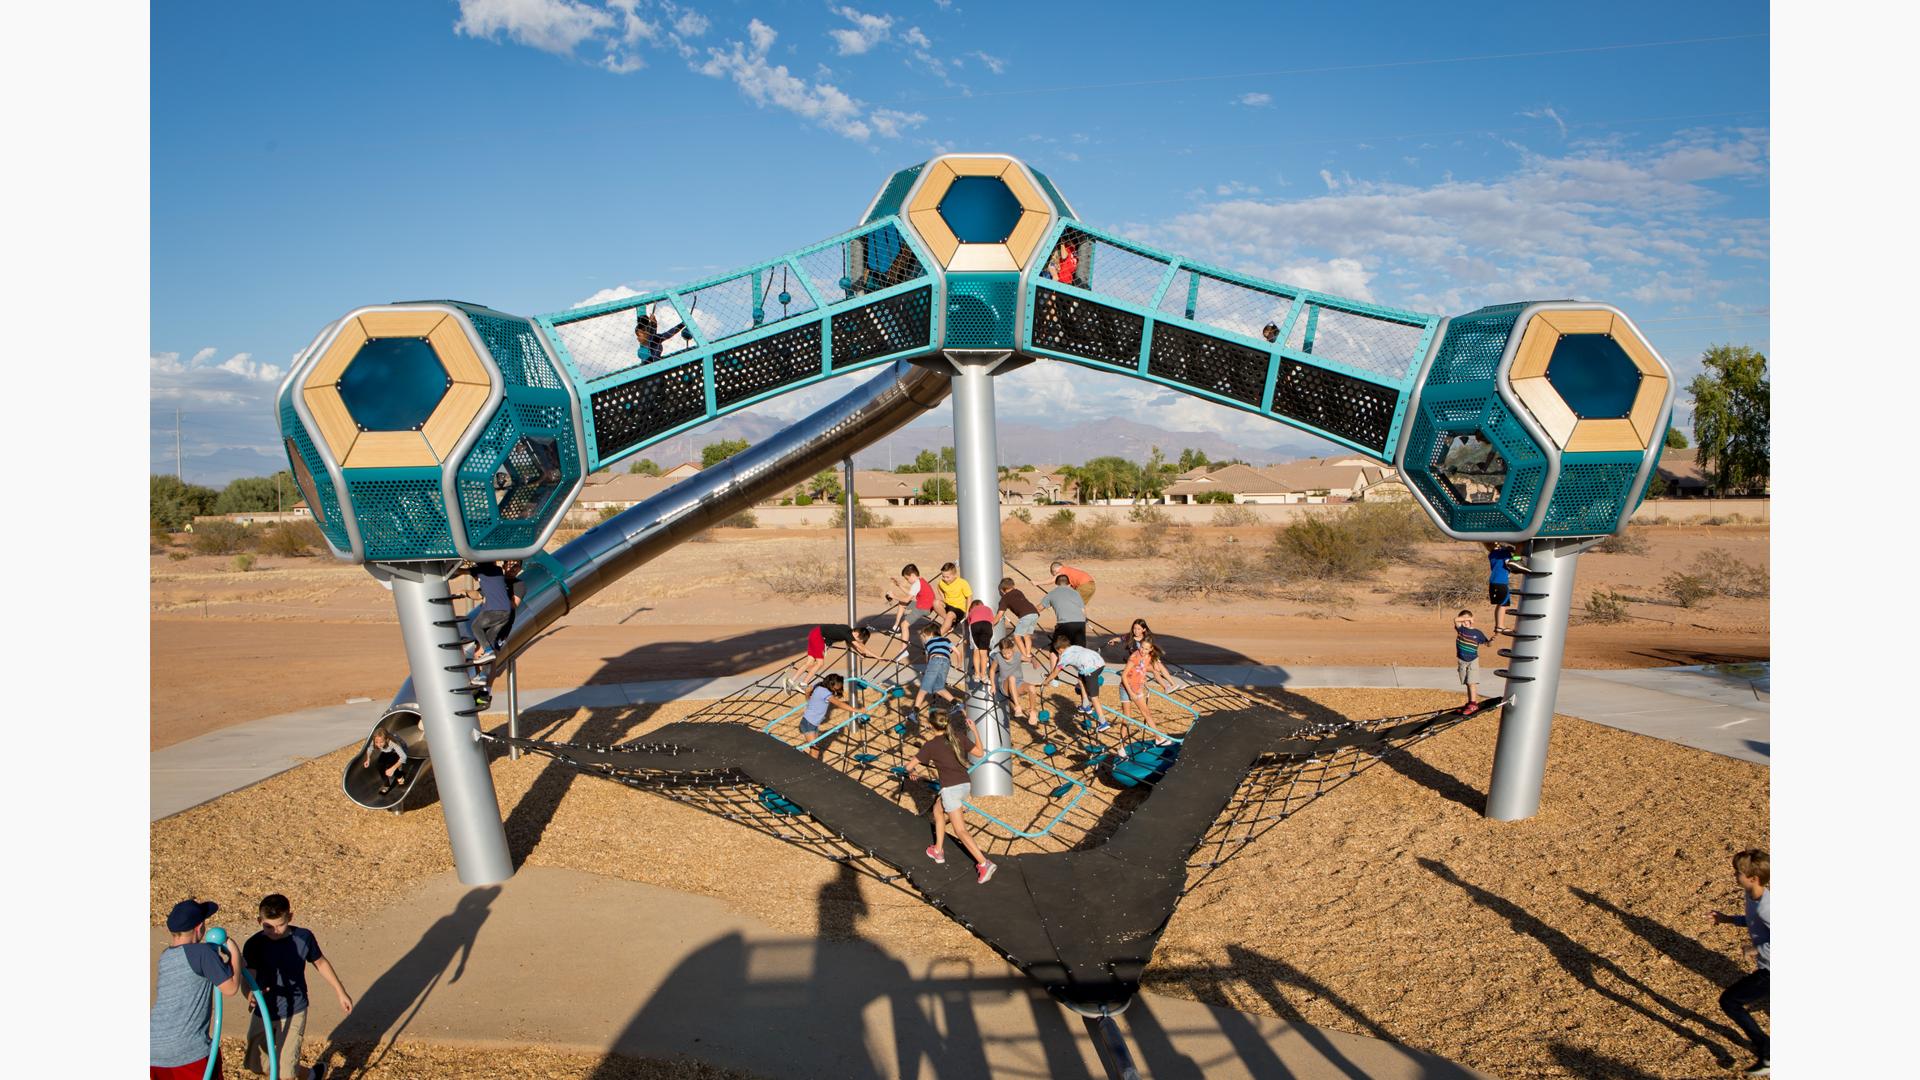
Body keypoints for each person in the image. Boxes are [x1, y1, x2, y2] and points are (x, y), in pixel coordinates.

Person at [243, 893, 353, 1080]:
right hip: (264, 1009)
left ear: (290, 917)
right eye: (268, 927)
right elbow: (248, 978)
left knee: (285, 1074)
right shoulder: (254, 944)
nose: (275, 932)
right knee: (255, 1063)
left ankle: (289, 1070)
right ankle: (311, 1074)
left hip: (294, 1009)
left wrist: (340, 991)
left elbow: (321, 963)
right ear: (259, 920)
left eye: (281, 925)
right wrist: (249, 995)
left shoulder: (303, 937)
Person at [152, 898, 241, 1079]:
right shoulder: (202, 952)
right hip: (188, 1050)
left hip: (153, 1048)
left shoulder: (165, 956)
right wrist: (235, 954)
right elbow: (230, 988)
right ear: (199, 927)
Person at [908, 710, 997, 884]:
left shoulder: (931, 745)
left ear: (932, 725)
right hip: (965, 785)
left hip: (951, 790)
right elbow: (980, 753)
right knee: (937, 810)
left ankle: (984, 863)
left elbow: (909, 765)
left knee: (960, 831)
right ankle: (938, 850)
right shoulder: (957, 736)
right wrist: (975, 731)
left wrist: (913, 772)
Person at [1707, 849, 1771, 1076]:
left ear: (1753, 878)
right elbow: (1751, 921)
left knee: (1729, 1001)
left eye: (1738, 873)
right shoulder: (1752, 896)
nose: (1735, 876)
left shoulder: (1767, 907)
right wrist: (1727, 919)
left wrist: (1756, 949)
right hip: (1767, 968)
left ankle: (1767, 1050)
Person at [789, 624, 889, 692]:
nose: (859, 642)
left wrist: (859, 654)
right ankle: (803, 684)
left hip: (814, 633)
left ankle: (791, 681)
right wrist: (878, 657)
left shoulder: (847, 631)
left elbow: (852, 646)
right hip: (818, 637)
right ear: (857, 634)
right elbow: (861, 647)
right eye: (860, 640)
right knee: (820, 663)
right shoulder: (848, 634)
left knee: (810, 662)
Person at [460, 560, 516, 665]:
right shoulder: (498, 571)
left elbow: (460, 571)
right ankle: (483, 674)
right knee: (490, 641)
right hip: (506, 613)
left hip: (494, 610)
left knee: (476, 626)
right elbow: (479, 593)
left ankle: (488, 651)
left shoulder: (480, 570)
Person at [1045, 641, 1110, 730]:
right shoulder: (1074, 647)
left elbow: (1055, 672)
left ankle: (1103, 722)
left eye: (1058, 652)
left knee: (1094, 698)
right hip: (1099, 662)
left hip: (1091, 670)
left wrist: (1046, 681)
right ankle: (1085, 705)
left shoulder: (1065, 657)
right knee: (1080, 678)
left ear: (1060, 650)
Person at [798, 673, 859, 760]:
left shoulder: (819, 688)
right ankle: (809, 767)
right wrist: (857, 710)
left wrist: (807, 694)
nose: (839, 688)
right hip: (808, 724)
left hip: (812, 723)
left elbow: (810, 702)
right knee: (815, 751)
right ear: (831, 683)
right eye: (838, 686)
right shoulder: (824, 692)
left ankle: (808, 764)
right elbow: (839, 703)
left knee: (814, 749)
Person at [908, 625, 962, 722]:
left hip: (934, 660)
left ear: (931, 634)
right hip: (946, 662)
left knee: (923, 689)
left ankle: (914, 713)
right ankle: (957, 704)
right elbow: (958, 653)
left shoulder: (928, 643)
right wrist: (958, 664)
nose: (924, 639)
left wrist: (928, 669)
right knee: (939, 688)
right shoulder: (946, 640)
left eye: (925, 636)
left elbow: (927, 659)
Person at [1483, 543, 1527, 635]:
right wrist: (1517, 550)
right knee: (1502, 605)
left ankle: (1498, 626)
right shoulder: (1503, 553)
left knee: (1500, 604)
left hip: (1494, 582)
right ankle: (1500, 626)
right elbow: (1511, 563)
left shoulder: (1492, 554)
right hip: (1501, 582)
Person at [991, 635, 1038, 722]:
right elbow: (992, 670)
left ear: (1012, 649)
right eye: (1004, 653)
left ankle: (1032, 711)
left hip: (1018, 684)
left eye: (1008, 653)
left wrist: (1034, 662)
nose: (1006, 656)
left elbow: (1030, 659)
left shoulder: (1017, 655)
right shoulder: (998, 657)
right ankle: (1017, 706)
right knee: (1011, 678)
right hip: (1005, 685)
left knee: (1031, 687)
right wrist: (993, 685)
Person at [1453, 610, 1492, 715]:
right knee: (1467, 682)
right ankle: (1470, 702)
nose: (1464, 621)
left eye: (1466, 618)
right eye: (1463, 619)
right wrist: (1467, 619)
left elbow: (1487, 643)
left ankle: (1473, 704)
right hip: (1462, 660)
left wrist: (1491, 641)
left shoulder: (1477, 633)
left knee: (1471, 682)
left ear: (1471, 619)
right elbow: (1455, 620)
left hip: (1473, 660)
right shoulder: (1460, 629)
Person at [995, 578, 1041, 665]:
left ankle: (1025, 657)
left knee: (1017, 636)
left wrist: (991, 624)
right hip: (1034, 613)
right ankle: (1028, 653)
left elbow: (999, 615)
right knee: (1027, 635)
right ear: (1013, 585)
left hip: (1025, 616)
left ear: (1002, 590)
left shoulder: (1005, 598)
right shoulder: (1018, 592)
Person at [1039, 573, 1089, 650]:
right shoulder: (1076, 593)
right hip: (1080, 623)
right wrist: (1084, 620)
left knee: (1056, 649)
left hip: (1064, 624)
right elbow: (1083, 611)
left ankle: (1058, 661)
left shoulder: (1052, 593)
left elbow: (1039, 608)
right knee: (1080, 650)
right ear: (1069, 584)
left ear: (1056, 584)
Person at [886, 563, 939, 635]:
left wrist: (893, 596)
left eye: (907, 578)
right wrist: (899, 585)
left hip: (923, 608)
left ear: (913, 575)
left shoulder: (916, 584)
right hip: (924, 605)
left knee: (904, 625)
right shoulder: (920, 580)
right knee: (902, 603)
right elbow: (911, 596)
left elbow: (907, 599)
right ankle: (895, 627)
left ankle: (902, 639)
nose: (907, 581)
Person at [362, 729, 409, 796]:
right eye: (376, 742)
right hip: (387, 751)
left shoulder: (392, 743)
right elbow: (369, 748)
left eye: (381, 742)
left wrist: (393, 768)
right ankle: (386, 785)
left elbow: (403, 757)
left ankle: (400, 776)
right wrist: (368, 759)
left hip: (397, 752)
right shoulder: (376, 739)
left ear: (386, 740)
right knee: (379, 765)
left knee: (391, 766)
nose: (378, 745)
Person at [934, 562, 973, 636]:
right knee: (935, 603)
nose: (945, 579)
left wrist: (967, 611)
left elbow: (969, 597)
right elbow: (939, 587)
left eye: (947, 577)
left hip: (959, 608)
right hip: (948, 605)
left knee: (950, 615)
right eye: (943, 576)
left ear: (955, 575)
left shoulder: (962, 583)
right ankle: (949, 623)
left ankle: (937, 637)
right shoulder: (942, 582)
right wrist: (943, 598)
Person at [965, 600, 996, 683]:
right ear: (982, 604)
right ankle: (983, 674)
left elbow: (969, 623)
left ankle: (977, 674)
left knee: (976, 650)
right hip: (987, 625)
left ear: (972, 606)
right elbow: (992, 622)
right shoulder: (988, 609)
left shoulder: (972, 611)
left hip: (975, 625)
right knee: (983, 652)